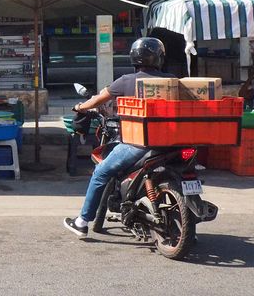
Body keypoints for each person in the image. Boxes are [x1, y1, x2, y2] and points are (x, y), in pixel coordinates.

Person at [63, 37, 175, 238]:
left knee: (100, 173)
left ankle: (81, 222)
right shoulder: (172, 81)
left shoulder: (126, 81)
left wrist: (79, 107)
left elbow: (98, 99)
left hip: (138, 143)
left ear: (134, 58)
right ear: (159, 58)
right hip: (172, 143)